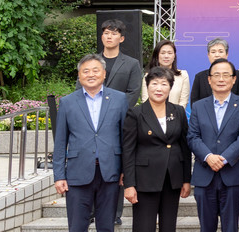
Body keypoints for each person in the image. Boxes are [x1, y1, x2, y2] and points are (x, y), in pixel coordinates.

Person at [53, 54, 128, 232]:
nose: (91, 74)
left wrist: (126, 170)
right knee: (77, 226)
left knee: (106, 226)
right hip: (77, 172)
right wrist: (59, 175)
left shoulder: (119, 99)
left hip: (110, 171)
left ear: (104, 73)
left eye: (95, 70)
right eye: (85, 71)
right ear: (79, 76)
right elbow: (60, 141)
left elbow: (125, 138)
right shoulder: (67, 102)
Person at [187, 59, 239, 232]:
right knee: (206, 227)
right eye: (216, 75)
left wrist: (224, 158)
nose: (221, 79)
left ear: (234, 79)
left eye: (226, 75)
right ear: (209, 80)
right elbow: (193, 136)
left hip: (232, 174)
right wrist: (208, 157)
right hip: (204, 174)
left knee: (230, 227)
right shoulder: (198, 106)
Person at [123, 67, 192, 232]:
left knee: (169, 226)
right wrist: (129, 184)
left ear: (170, 87)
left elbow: (185, 147)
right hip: (145, 180)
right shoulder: (136, 113)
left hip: (172, 178)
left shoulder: (178, 112)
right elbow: (128, 150)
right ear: (147, 86)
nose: (159, 88)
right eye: (154, 84)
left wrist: (186, 179)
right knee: (144, 227)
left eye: (164, 84)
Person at [95, 18, 143, 225]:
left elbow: (133, 92)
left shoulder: (131, 64)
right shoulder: (92, 62)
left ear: (121, 38)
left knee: (117, 166)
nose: (109, 36)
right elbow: (81, 87)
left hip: (119, 123)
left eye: (114, 33)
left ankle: (114, 213)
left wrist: (113, 111)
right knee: (93, 165)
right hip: (92, 123)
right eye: (106, 32)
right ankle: (92, 210)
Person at [190, 38, 239, 105]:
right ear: (208, 55)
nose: (217, 55)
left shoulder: (238, 75)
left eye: (220, 51)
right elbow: (194, 104)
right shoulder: (200, 77)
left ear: (227, 54)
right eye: (213, 52)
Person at [141, 40, 190, 107]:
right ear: (157, 56)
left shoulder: (183, 75)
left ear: (174, 56)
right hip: (152, 113)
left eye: (169, 53)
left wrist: (176, 113)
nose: (166, 56)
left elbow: (183, 102)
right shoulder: (148, 76)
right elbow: (145, 100)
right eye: (163, 53)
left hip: (176, 113)